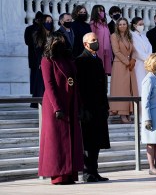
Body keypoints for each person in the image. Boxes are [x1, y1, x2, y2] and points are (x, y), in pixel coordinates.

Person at [38, 32, 84, 185]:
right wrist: (57, 107)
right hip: (55, 105)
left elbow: (75, 81)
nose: (60, 42)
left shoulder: (68, 59)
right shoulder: (47, 60)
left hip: (70, 102)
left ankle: (70, 173)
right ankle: (58, 175)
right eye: (57, 39)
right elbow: (49, 85)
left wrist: (77, 104)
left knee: (71, 138)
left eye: (62, 39)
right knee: (57, 140)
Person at [76, 32, 111, 182]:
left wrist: (106, 105)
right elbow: (80, 87)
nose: (96, 42)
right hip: (87, 108)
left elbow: (102, 85)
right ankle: (87, 172)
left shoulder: (98, 60)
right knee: (88, 142)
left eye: (97, 40)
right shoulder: (80, 60)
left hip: (99, 107)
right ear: (85, 44)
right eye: (93, 40)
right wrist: (82, 108)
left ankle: (94, 171)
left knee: (96, 142)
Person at [109, 17, 138, 123]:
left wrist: (133, 60)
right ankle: (122, 113)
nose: (122, 26)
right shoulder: (114, 36)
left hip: (130, 66)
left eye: (124, 24)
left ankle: (129, 111)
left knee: (129, 89)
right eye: (120, 24)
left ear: (127, 25)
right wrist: (127, 62)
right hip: (120, 65)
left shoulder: (129, 36)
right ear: (117, 26)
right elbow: (116, 52)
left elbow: (134, 51)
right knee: (121, 90)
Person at [31, 14, 54, 108]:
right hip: (42, 60)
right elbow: (37, 50)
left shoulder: (53, 34)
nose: (49, 23)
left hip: (52, 60)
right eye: (47, 21)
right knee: (41, 81)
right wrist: (41, 61)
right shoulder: (37, 34)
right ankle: (39, 102)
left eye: (50, 21)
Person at [130, 17, 152, 95]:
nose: (142, 26)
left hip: (147, 63)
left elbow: (150, 47)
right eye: (140, 24)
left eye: (142, 24)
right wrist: (147, 58)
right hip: (139, 63)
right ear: (134, 25)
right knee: (140, 84)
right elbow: (137, 51)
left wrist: (149, 58)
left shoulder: (144, 36)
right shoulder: (132, 36)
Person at [24, 11, 43, 98]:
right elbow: (27, 42)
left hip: (41, 56)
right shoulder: (29, 29)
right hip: (33, 56)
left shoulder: (44, 29)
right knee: (34, 75)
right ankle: (33, 92)